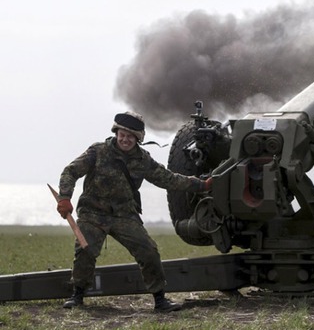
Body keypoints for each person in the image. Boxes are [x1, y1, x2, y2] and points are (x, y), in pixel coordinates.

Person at [55, 111, 212, 312]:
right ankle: (77, 295)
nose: (125, 139)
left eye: (131, 136)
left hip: (124, 214)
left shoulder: (143, 160)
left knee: (149, 251)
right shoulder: (97, 151)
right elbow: (70, 171)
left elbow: (169, 179)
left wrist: (202, 185)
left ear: (138, 139)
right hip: (92, 213)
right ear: (116, 132)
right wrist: (65, 197)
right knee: (85, 250)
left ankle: (160, 299)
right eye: (122, 134)